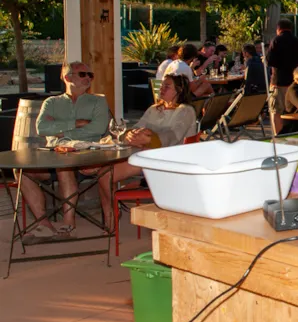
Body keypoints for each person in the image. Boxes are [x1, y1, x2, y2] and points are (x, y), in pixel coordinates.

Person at [21, 61, 111, 241]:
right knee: (22, 172)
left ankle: (69, 223)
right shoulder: (52, 102)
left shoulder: (98, 101)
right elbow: (42, 128)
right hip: (53, 152)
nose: (88, 78)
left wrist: (60, 131)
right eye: (83, 74)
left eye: (90, 75)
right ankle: (43, 223)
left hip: (85, 155)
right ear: (68, 78)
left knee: (64, 166)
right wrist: (76, 123)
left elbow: (98, 128)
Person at [92, 74, 198, 226]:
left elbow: (173, 135)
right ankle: (112, 214)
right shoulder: (154, 109)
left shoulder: (185, 111)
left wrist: (150, 139)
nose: (161, 89)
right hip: (146, 157)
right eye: (161, 85)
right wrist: (131, 135)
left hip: (168, 162)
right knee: (104, 174)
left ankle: (111, 216)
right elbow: (138, 127)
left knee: (106, 175)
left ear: (179, 90)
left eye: (167, 86)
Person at [266, 19, 298, 134]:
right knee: (294, 112)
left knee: (276, 111)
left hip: (280, 82)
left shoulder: (276, 41)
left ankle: (278, 136)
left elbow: (269, 61)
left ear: (278, 29)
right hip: (296, 84)